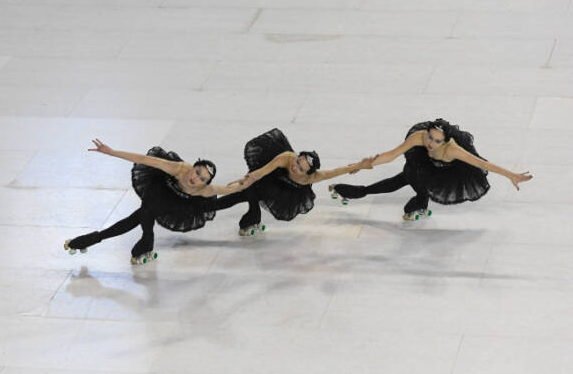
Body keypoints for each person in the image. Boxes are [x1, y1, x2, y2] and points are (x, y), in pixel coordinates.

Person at [64, 139, 249, 264]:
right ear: (193, 167)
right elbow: (143, 159)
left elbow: (228, 189)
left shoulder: (205, 190)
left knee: (215, 204)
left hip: (181, 204)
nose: (196, 178)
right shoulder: (178, 168)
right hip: (161, 192)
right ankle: (145, 240)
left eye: (202, 178)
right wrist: (112, 152)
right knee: (143, 213)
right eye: (197, 171)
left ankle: (105, 240)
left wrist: (247, 181)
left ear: (205, 183)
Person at [328, 118, 532, 220]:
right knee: (406, 176)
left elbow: (482, 164)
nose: (430, 143)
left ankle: (420, 200)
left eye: (437, 141)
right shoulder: (419, 138)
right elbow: (391, 155)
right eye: (430, 137)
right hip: (421, 164)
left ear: (446, 141)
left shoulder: (452, 150)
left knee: (415, 183)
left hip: (443, 174)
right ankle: (361, 191)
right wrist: (362, 164)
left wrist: (511, 175)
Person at [213, 128, 373, 234]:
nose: (295, 167)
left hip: (283, 191)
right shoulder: (287, 157)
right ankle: (214, 209)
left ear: (308, 173)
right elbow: (260, 172)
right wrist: (241, 182)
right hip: (266, 179)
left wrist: (360, 165)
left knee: (247, 198)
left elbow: (336, 172)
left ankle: (246, 218)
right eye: (298, 161)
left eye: (301, 169)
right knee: (242, 195)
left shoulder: (312, 177)